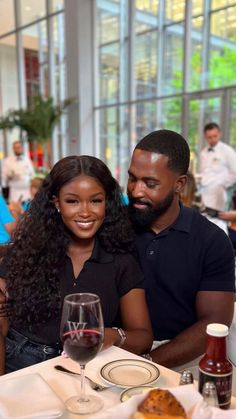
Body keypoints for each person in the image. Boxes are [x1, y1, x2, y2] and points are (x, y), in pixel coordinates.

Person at [0, 155, 153, 374]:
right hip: (20, 361)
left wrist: (106, 335)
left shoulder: (121, 262)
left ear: (107, 203)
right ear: (56, 203)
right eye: (72, 201)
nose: (85, 212)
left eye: (95, 200)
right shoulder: (28, 250)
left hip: (84, 366)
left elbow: (143, 336)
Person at [127, 129, 235, 372]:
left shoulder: (211, 240)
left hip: (186, 357)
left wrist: (146, 365)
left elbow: (214, 323)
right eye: (132, 178)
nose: (136, 190)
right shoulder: (115, 228)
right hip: (122, 350)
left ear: (179, 184)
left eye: (150, 183)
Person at [199, 122, 236, 211]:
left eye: (215, 136)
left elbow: (235, 171)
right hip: (204, 192)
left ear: (220, 134)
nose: (213, 139)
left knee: (218, 220)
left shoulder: (227, 151)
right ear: (205, 137)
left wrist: (224, 185)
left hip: (219, 193)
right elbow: (204, 172)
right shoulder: (203, 152)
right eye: (209, 137)